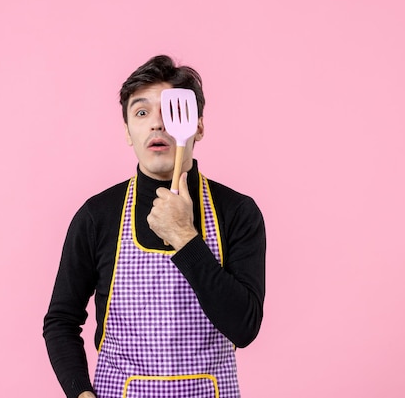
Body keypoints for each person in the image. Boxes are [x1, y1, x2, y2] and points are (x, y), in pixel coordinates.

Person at [43, 55, 266, 398]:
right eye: (142, 112)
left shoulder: (237, 212)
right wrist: (81, 394)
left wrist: (184, 236)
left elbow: (244, 327)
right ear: (128, 133)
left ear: (199, 126)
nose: (157, 125)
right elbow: (61, 321)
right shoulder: (97, 216)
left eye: (171, 112)